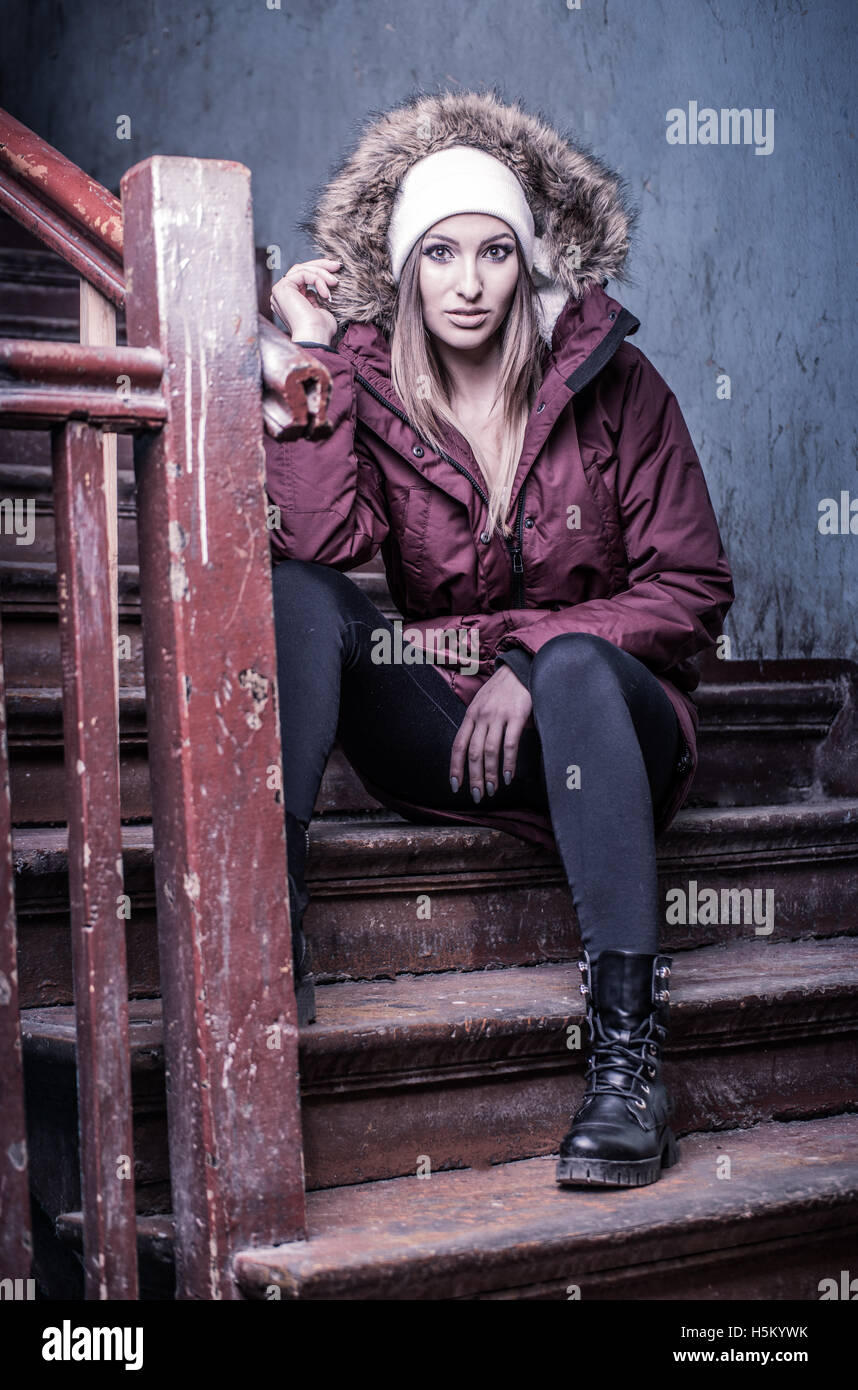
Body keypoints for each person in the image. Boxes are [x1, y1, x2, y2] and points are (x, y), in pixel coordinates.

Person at [263, 89, 735, 1188]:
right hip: (452, 728)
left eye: (491, 252)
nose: (467, 283)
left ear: (528, 262)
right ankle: (266, 916)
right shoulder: (372, 391)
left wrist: (534, 656)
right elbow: (325, 537)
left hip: (606, 729)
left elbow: (693, 583)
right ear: (406, 268)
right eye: (438, 254)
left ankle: (625, 1066)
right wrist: (312, 355)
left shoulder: (616, 387)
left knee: (569, 662)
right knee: (299, 595)